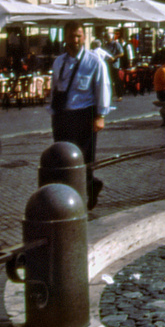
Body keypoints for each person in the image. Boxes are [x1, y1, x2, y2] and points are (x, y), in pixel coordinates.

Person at [51, 20, 112, 206]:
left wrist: (100, 115)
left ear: (84, 37)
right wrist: (53, 112)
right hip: (62, 116)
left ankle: (88, 190)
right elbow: (55, 87)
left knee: (85, 159)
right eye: (72, 36)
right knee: (63, 157)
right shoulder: (59, 62)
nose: (76, 40)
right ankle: (69, 195)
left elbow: (103, 87)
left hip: (84, 116)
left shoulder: (94, 62)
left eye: (79, 36)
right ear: (65, 37)